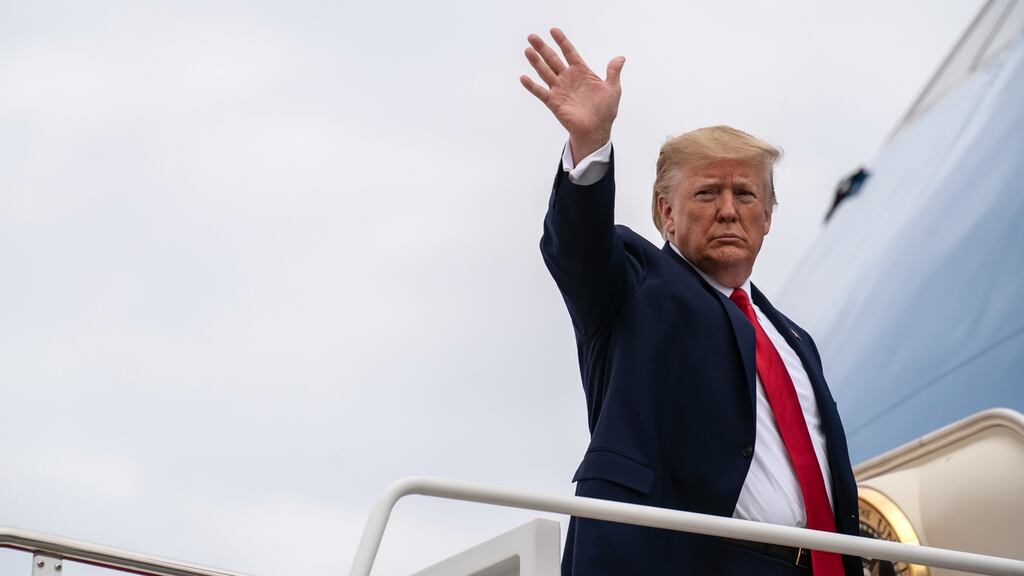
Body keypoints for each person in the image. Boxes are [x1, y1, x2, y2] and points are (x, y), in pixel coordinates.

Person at [521, 29, 862, 575]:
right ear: (665, 213)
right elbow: (577, 247)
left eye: (745, 194)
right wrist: (590, 144)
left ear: (768, 217)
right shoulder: (633, 286)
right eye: (707, 193)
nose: (728, 210)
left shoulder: (795, 340)